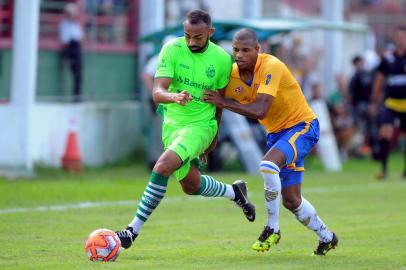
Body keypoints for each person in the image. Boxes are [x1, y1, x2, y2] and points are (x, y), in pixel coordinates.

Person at [115, 10, 256, 249]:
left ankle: (131, 230)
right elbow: (157, 92)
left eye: (198, 37)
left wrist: (213, 138)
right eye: (188, 35)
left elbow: (219, 102)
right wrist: (174, 96)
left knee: (161, 167)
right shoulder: (172, 49)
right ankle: (235, 192)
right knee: (191, 186)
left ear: (210, 33)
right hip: (173, 125)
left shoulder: (222, 60)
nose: (192, 42)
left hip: (201, 126)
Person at [203, 28, 338, 255]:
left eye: (246, 50)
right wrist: (213, 137)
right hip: (277, 134)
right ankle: (327, 237)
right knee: (292, 201)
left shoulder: (271, 66)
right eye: (235, 50)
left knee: (267, 165)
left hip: (302, 126)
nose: (239, 55)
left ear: (258, 49)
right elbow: (218, 103)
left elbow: (259, 110)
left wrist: (223, 102)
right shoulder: (231, 74)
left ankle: (272, 228)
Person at [370, 26, 406, 179]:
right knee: (385, 132)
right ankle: (383, 169)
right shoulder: (388, 59)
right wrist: (374, 101)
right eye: (399, 37)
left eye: (403, 37)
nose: (401, 40)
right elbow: (379, 80)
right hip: (391, 103)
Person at [141, 36, 176, 169]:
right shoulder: (158, 59)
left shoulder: (174, 60)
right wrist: (155, 92)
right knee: (159, 130)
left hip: (172, 101)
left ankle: (169, 162)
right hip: (161, 102)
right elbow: (145, 75)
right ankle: (155, 160)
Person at [59, 3, 83, 102]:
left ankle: (77, 96)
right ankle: (74, 97)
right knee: (74, 73)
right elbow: (64, 40)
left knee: (79, 75)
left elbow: (80, 37)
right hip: (70, 49)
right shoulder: (64, 25)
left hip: (77, 49)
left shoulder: (76, 25)